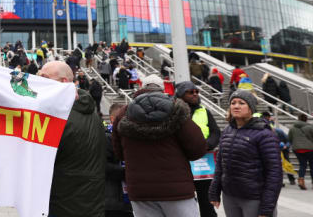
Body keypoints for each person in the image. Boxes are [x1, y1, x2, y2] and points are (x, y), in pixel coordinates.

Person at [112, 74, 207, 217]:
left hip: (140, 190)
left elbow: (119, 153)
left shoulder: (123, 114)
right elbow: (198, 147)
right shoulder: (176, 109)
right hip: (176, 190)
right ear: (162, 90)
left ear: (141, 88)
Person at [39, 61, 106, 217]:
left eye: (44, 77)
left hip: (63, 204)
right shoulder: (87, 110)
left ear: (63, 82)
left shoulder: (61, 116)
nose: (39, 82)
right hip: (88, 203)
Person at [209, 90, 282, 216]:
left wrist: (267, 206)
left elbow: (274, 172)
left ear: (251, 108)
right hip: (230, 196)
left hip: (254, 198)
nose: (236, 106)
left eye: (242, 103)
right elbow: (221, 165)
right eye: (233, 103)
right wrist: (214, 191)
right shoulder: (227, 131)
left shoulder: (264, 134)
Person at [176, 81, 221, 217]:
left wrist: (207, 145)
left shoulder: (204, 111)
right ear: (180, 95)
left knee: (206, 202)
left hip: (203, 163)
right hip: (182, 163)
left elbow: (215, 132)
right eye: (190, 92)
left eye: (196, 91)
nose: (195, 94)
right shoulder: (174, 112)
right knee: (185, 203)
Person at [105, 103, 133, 217]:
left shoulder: (130, 138)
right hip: (113, 201)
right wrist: (128, 172)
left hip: (129, 199)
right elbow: (104, 167)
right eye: (124, 118)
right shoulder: (105, 137)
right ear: (112, 119)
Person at [288, 113, 313, 190]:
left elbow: (289, 139)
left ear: (298, 119)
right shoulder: (310, 127)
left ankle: (301, 181)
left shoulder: (292, 128)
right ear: (306, 119)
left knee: (302, 165)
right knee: (312, 165)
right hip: (309, 148)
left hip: (297, 149)